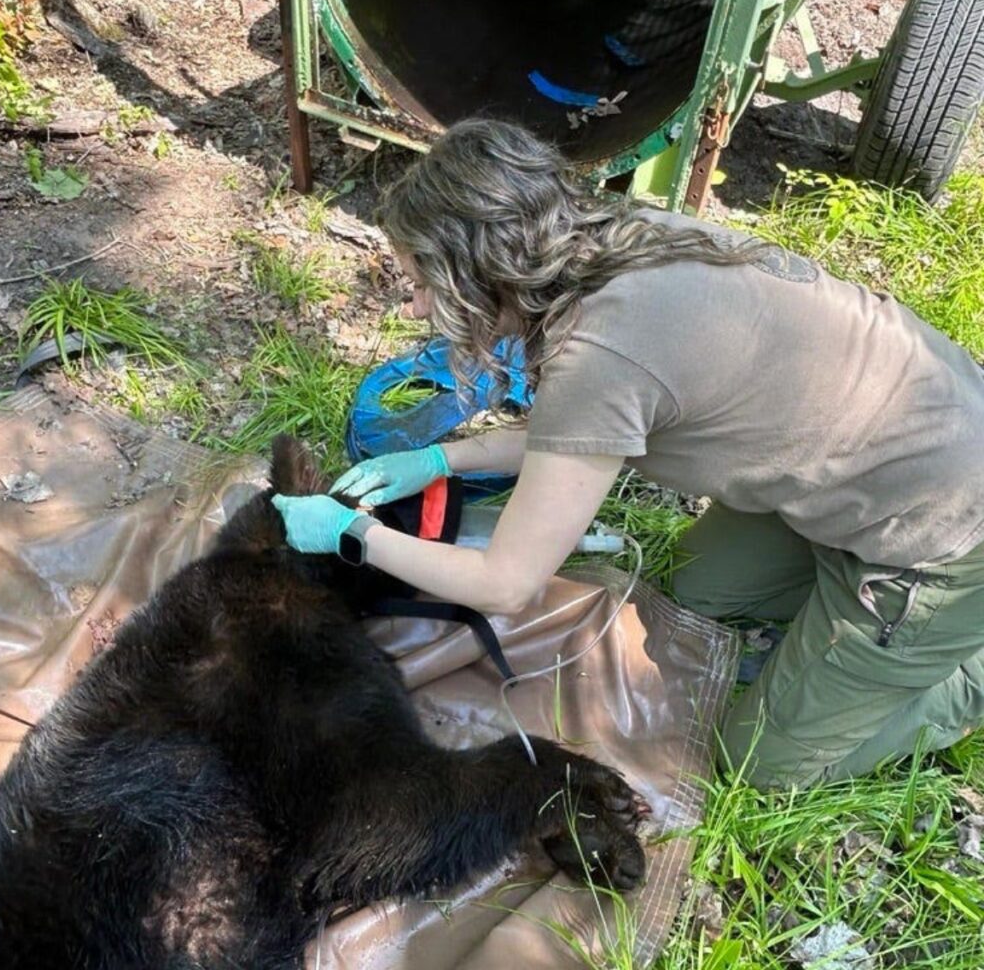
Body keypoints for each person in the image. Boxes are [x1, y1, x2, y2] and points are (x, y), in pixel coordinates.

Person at [272, 118, 984, 790]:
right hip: (890, 447)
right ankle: (853, 631)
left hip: (942, 531)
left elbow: (505, 585)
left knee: (756, 765)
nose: (419, 309)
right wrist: (443, 462)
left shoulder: (600, 351)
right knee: (688, 602)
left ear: (482, 274)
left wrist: (355, 536)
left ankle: (962, 682)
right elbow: (579, 434)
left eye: (427, 286)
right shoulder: (611, 238)